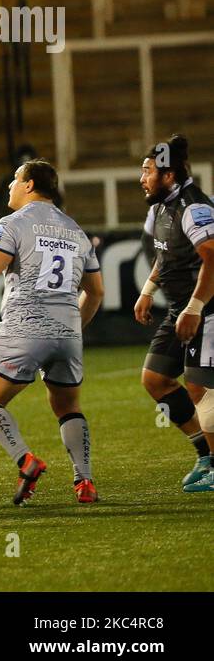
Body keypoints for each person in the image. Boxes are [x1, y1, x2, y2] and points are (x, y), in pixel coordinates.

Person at [0, 159, 105, 505]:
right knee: (68, 406)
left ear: (30, 184)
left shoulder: (14, 224)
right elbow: (96, 292)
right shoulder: (76, 230)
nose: (10, 186)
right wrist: (73, 327)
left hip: (25, 327)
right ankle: (85, 482)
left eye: (15, 180)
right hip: (68, 333)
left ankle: (25, 459)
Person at [133, 135, 214, 492]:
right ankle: (205, 455)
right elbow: (164, 257)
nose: (142, 178)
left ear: (168, 175)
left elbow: (213, 257)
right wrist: (148, 291)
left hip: (207, 309)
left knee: (201, 389)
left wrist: (196, 308)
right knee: (155, 378)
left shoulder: (194, 207)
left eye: (148, 171)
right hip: (180, 309)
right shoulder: (159, 209)